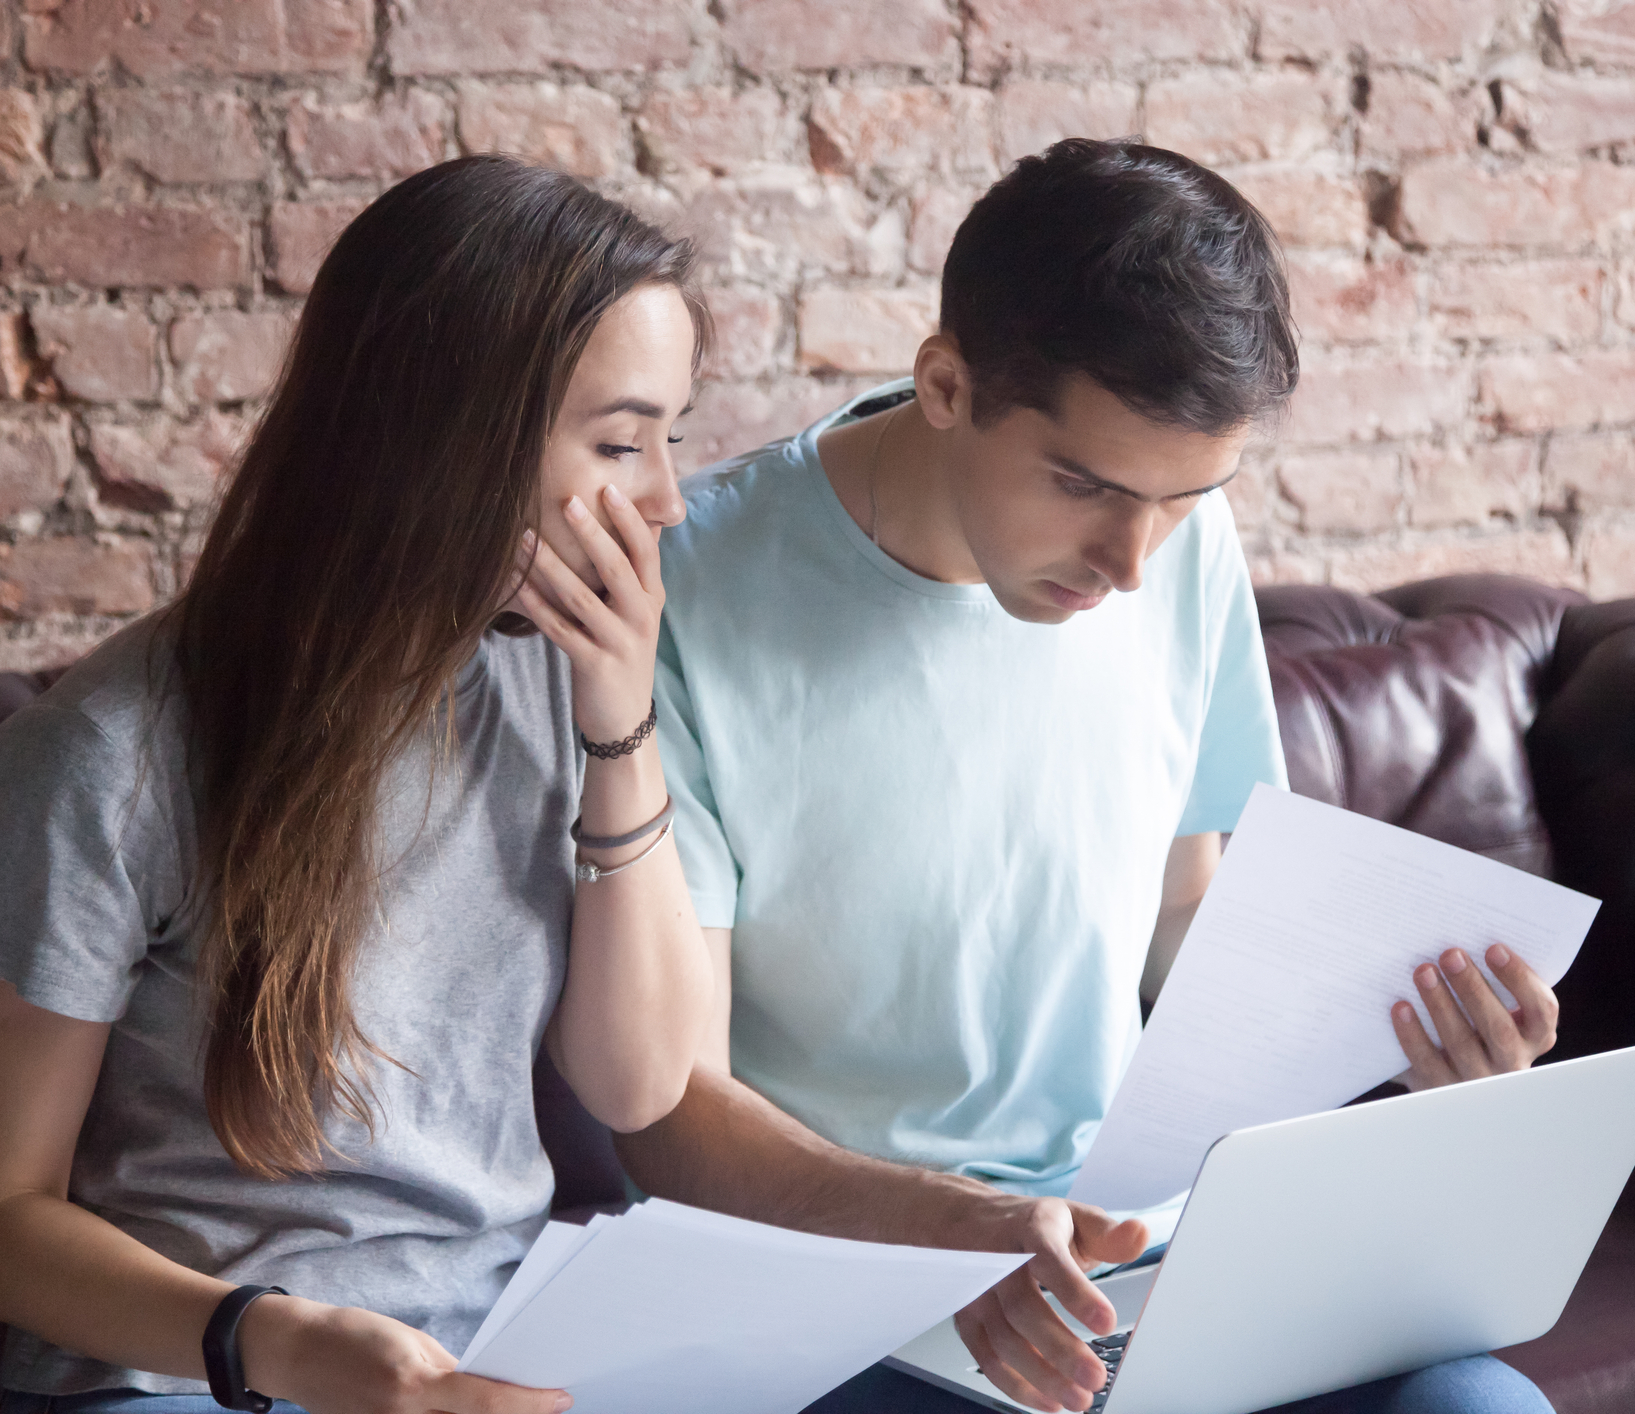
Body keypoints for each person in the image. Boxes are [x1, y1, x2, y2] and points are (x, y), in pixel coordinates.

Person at [614, 140, 1560, 1414]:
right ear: (945, 384)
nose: (1130, 563)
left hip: (1139, 1255)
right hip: (845, 1284)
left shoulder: (1180, 539)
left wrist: (1415, 1059)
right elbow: (669, 1107)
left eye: (1182, 499)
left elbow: (1185, 923)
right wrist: (952, 1229)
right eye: (1085, 486)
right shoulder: (693, 592)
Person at [0, 156, 716, 1414]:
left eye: (672, 439)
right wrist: (274, 1342)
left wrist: (619, 725)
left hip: (495, 1365)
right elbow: (8, 1216)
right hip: (190, 1381)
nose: (664, 497)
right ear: (442, 438)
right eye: (620, 441)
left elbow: (640, 1084)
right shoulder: (115, 750)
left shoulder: (561, 688)